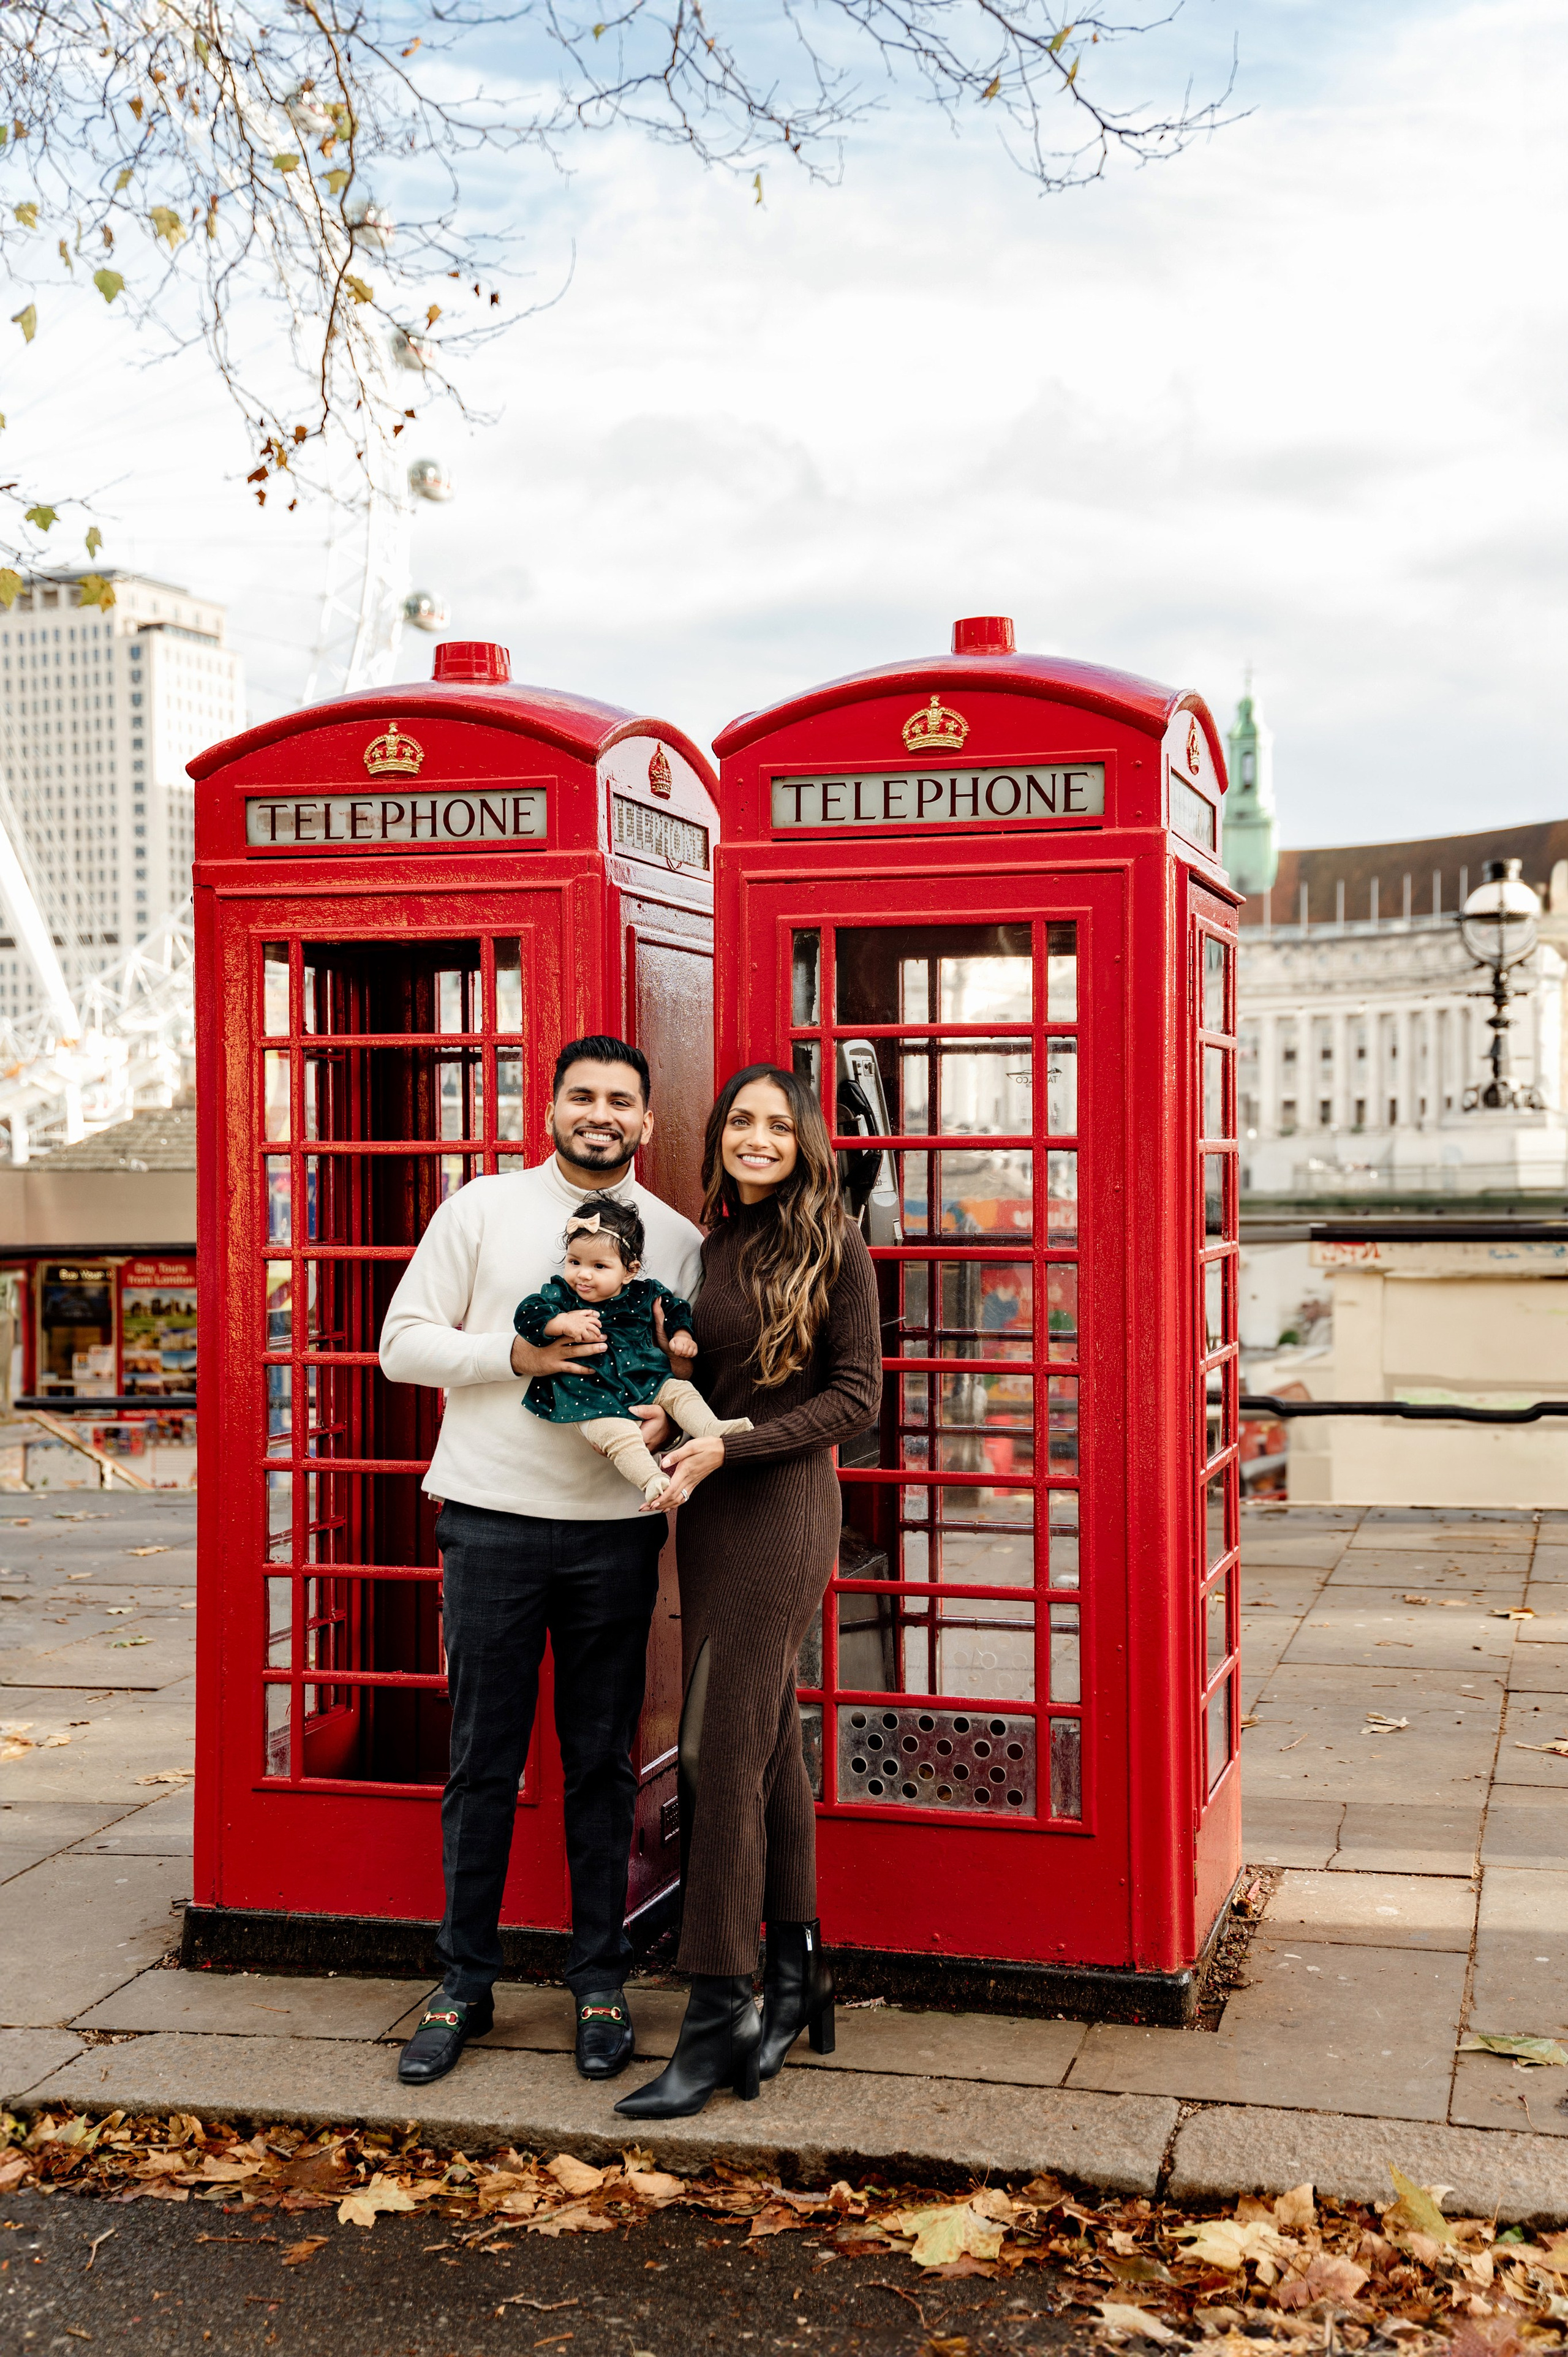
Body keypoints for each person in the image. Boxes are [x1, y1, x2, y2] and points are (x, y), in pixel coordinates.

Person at [379, 1036, 703, 2087]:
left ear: (646, 1123)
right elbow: (402, 1343)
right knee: (483, 1759)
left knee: (603, 1762)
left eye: (620, 1099)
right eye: (581, 1095)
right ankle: (463, 1981)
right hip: (489, 1520)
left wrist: (663, 1412)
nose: (599, 1112)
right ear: (550, 1107)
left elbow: (689, 1369)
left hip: (613, 1531)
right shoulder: (480, 1210)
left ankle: (598, 1979)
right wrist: (512, 1356)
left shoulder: (681, 1241)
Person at [614, 1064, 881, 2121]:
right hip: (713, 1509)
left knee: (723, 1750)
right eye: (740, 1121)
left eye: (778, 1123)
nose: (756, 1137)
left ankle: (719, 1999)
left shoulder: (836, 1245)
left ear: (807, 1138)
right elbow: (696, 1384)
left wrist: (731, 1445)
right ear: (719, 1135)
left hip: (778, 1511)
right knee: (771, 1743)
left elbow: (855, 1400)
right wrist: (664, 1419)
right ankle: (800, 1967)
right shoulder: (714, 1243)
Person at [515, 1194, 752, 1503]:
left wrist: (681, 1334)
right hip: (589, 1395)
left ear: (629, 1270)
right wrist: (560, 1323)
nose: (583, 1274)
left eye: (599, 1266)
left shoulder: (644, 1293)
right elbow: (527, 1314)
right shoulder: (562, 1297)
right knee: (620, 1436)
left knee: (682, 1392)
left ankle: (713, 1428)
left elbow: (676, 1308)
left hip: (647, 1378)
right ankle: (651, 1479)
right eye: (575, 1262)